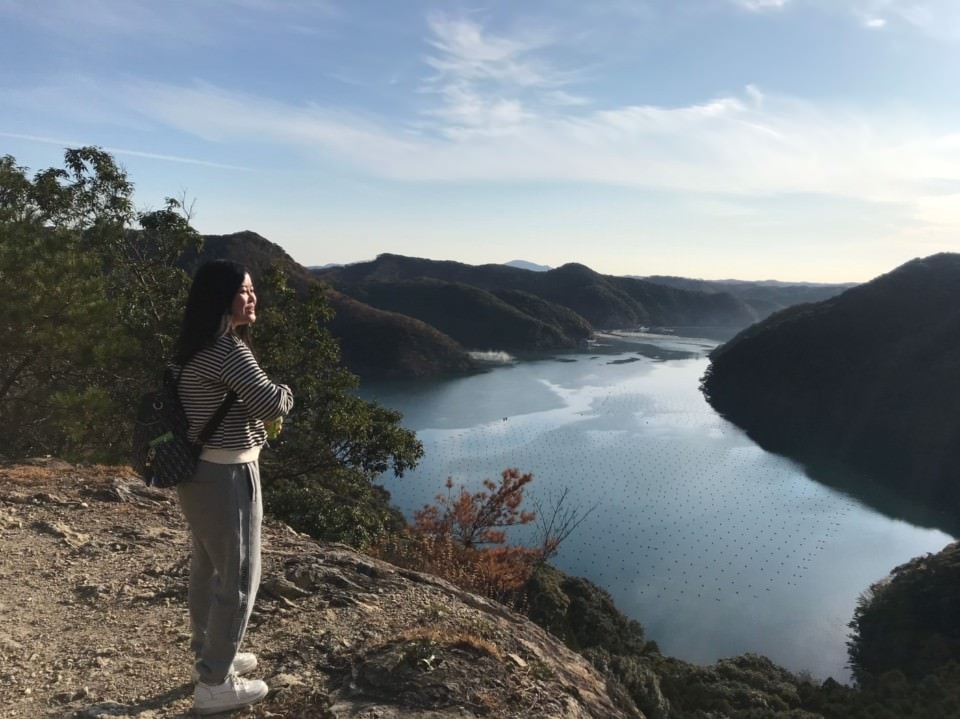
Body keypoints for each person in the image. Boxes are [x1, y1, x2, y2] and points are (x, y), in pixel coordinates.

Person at [172, 259, 294, 715]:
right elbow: (270, 403)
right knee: (240, 578)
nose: (252, 297)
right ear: (221, 298)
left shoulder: (194, 346)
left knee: (208, 568)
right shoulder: (229, 350)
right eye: (244, 290)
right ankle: (215, 682)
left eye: (252, 289)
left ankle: (209, 653)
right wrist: (286, 391)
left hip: (198, 474)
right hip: (228, 476)